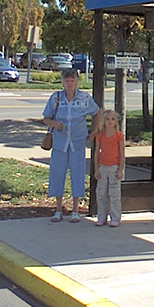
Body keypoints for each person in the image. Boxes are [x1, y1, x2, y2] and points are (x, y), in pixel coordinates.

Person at [43, 68, 101, 223]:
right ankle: (58, 209)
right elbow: (45, 118)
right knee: (57, 173)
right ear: (62, 82)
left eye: (73, 80)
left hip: (78, 141)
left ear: (77, 81)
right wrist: (55, 124)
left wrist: (95, 131)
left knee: (78, 173)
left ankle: (75, 210)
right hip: (60, 142)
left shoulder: (84, 98)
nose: (70, 84)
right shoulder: (56, 98)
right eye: (67, 81)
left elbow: (97, 112)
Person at [93, 109, 126, 227]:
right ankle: (101, 217)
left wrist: (120, 169)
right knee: (101, 193)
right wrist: (96, 169)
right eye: (107, 119)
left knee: (114, 194)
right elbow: (96, 153)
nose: (110, 121)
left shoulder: (119, 136)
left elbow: (122, 153)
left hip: (114, 168)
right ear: (103, 122)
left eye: (112, 119)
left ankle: (115, 217)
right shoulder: (100, 136)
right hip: (102, 168)